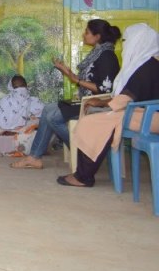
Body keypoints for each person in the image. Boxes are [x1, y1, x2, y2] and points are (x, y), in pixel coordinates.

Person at [11, 19, 121, 169]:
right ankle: (35, 157)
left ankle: (82, 150)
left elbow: (104, 89)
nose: (84, 34)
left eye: (87, 32)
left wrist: (77, 80)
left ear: (97, 36)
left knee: (53, 117)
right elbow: (83, 80)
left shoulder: (107, 57)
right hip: (85, 99)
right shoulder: (98, 53)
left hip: (95, 104)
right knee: (48, 108)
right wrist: (66, 71)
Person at [59, 23, 159, 187]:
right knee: (98, 117)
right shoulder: (147, 64)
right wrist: (104, 102)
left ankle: (83, 177)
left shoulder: (148, 67)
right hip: (142, 113)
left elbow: (127, 98)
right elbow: (129, 96)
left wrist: (103, 103)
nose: (125, 44)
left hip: (151, 118)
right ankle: (83, 173)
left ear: (139, 41)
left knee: (95, 122)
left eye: (128, 40)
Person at [0, 75, 44, 156]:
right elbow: (45, 120)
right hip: (27, 138)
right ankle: (24, 147)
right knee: (41, 130)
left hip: (9, 138)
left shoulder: (3, 101)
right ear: (26, 86)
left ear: (11, 87)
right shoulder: (34, 101)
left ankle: (13, 146)